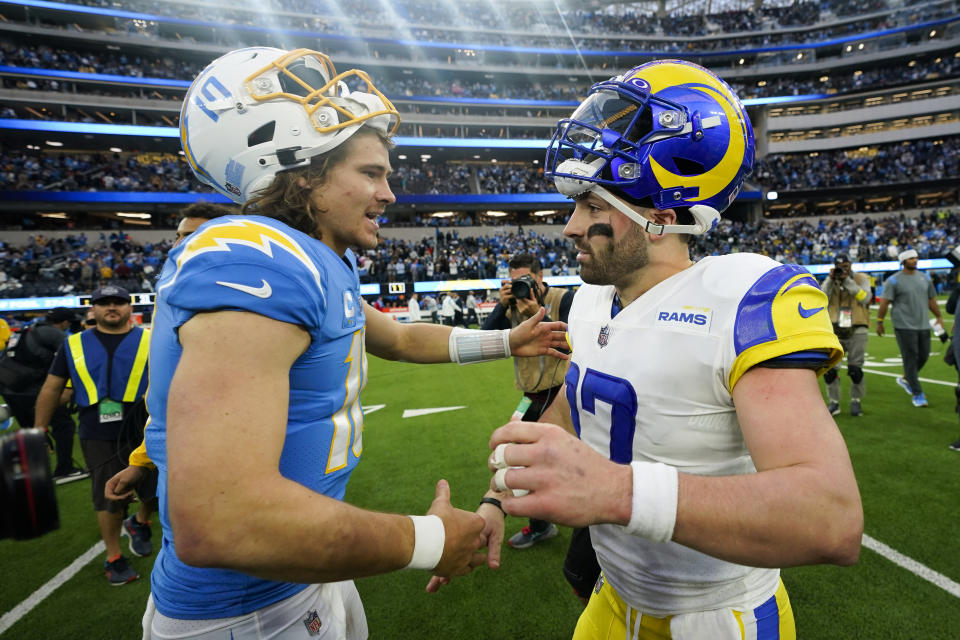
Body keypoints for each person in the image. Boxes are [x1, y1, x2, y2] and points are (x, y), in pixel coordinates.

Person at [144, 46, 568, 639]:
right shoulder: (257, 258)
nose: (389, 193)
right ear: (298, 172)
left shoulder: (318, 259)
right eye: (370, 173)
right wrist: (430, 541)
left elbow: (394, 336)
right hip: (246, 606)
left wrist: (506, 340)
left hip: (302, 562)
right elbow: (220, 518)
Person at [488, 60, 863, 639]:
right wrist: (497, 499)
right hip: (613, 594)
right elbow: (572, 408)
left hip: (716, 618)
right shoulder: (592, 301)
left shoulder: (740, 297)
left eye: (593, 207)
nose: (569, 227)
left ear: (659, 219)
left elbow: (830, 518)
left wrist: (616, 491)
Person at [103, 202, 235, 508]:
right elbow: (166, 396)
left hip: (228, 460)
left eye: (190, 236)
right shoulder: (172, 296)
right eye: (178, 235)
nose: (176, 245)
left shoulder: (241, 302)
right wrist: (141, 461)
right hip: (180, 459)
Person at [33, 286, 156, 585]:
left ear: (130, 307)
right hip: (96, 430)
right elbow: (52, 388)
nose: (111, 307)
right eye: (104, 303)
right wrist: (39, 430)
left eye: (118, 302)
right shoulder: (72, 344)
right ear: (93, 309)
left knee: (155, 490)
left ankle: (140, 521)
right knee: (109, 496)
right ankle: (114, 557)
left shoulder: (151, 340)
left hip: (147, 428)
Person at [0, 307, 83, 478]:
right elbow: (74, 357)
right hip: (33, 390)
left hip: (10, 389)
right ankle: (64, 469)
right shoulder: (54, 334)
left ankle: (32, 475)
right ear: (65, 322)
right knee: (64, 425)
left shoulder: (27, 329)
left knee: (30, 433)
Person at [876, 249, 944, 407]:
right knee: (911, 357)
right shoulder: (893, 281)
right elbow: (884, 302)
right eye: (911, 258)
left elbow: (931, 300)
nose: (915, 260)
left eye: (916, 258)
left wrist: (939, 316)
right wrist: (879, 322)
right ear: (903, 261)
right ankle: (918, 394)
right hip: (903, 325)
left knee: (924, 356)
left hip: (923, 324)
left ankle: (906, 378)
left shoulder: (924, 278)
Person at [822, 255, 872, 416]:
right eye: (840, 266)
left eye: (846, 265)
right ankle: (834, 402)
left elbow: (866, 298)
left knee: (855, 369)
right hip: (835, 327)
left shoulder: (861, 278)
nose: (843, 269)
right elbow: (821, 297)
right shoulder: (831, 280)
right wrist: (831, 280)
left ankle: (856, 401)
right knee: (830, 370)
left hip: (857, 326)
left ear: (851, 265)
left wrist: (847, 281)